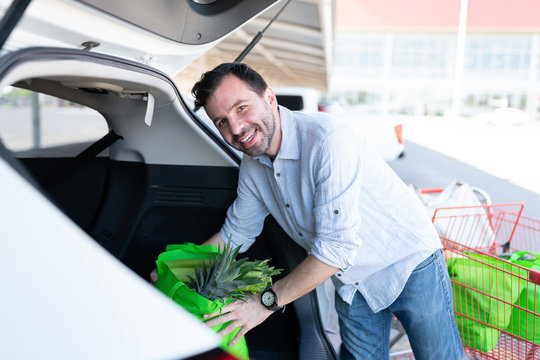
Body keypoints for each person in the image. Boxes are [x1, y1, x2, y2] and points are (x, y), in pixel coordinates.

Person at [159, 62, 464, 359]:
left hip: (408, 262)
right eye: (221, 121)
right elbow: (237, 232)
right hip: (351, 279)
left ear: (269, 96)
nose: (236, 128)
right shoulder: (253, 166)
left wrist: (264, 303)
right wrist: (178, 273)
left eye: (241, 108)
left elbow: (334, 250)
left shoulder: (328, 141)